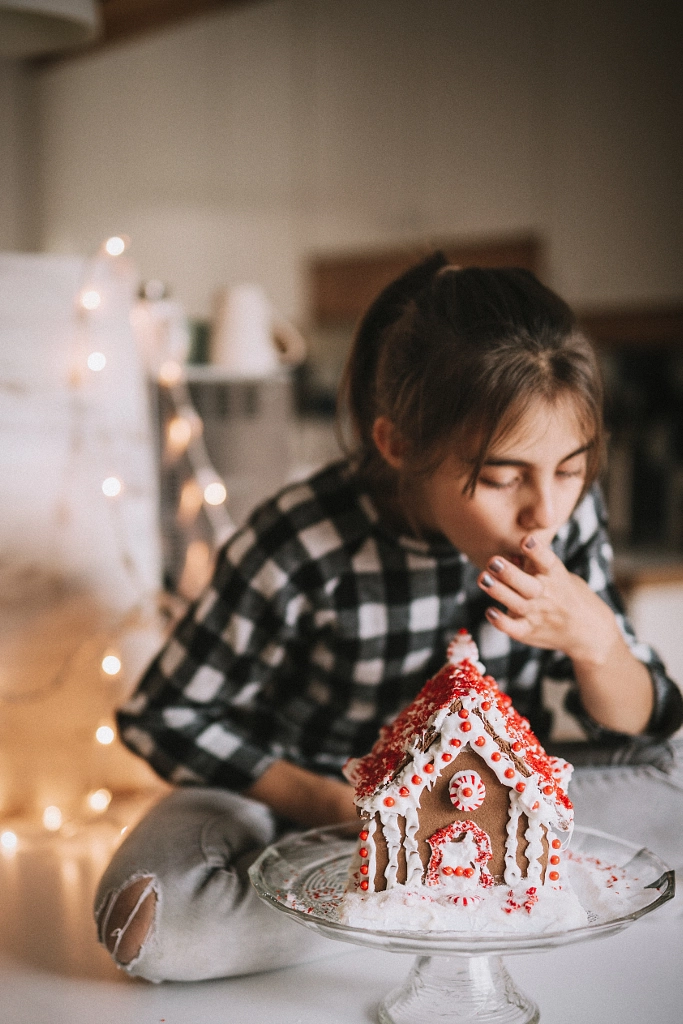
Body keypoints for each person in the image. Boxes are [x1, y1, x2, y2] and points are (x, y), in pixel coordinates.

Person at [95, 253, 683, 981]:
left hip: (490, 802)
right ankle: (482, 897)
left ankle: (389, 898)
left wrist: (596, 643)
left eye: (569, 469)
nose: (545, 511)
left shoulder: (566, 519)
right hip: (305, 800)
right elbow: (163, 714)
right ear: (398, 445)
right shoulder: (301, 540)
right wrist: (330, 803)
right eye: (502, 477)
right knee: (152, 924)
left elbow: (642, 724)